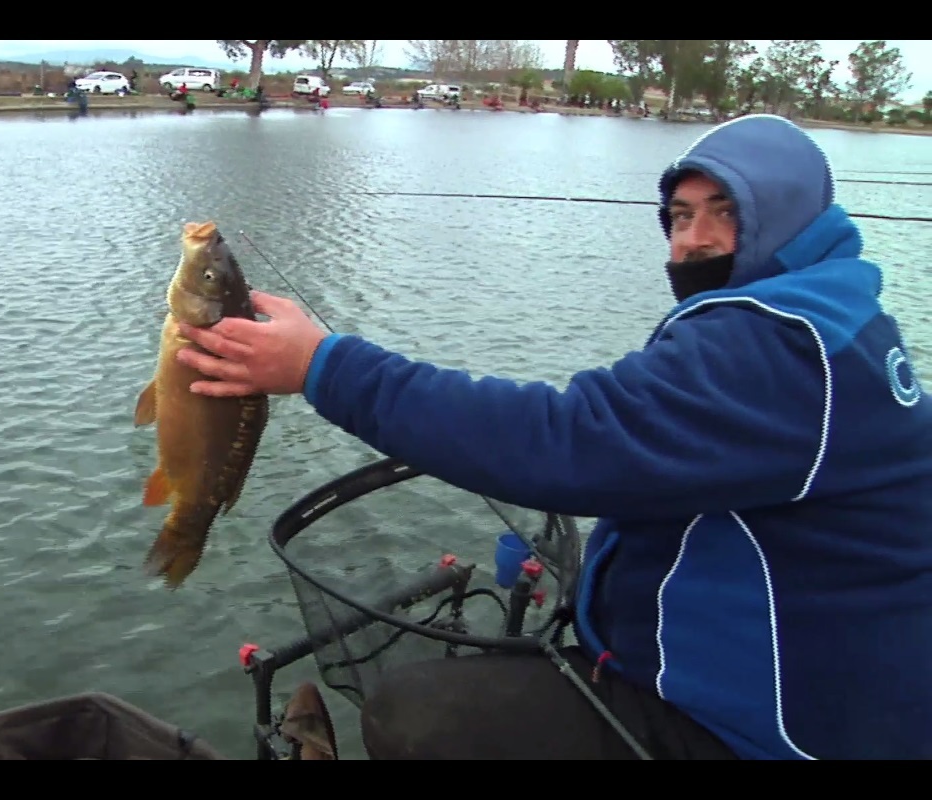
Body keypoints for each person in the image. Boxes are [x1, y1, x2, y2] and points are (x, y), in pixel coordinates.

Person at [172, 114, 932, 760]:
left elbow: (567, 439)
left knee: (416, 716)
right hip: (817, 688)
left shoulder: (779, 346)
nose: (695, 238)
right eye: (679, 215)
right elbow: (656, 464)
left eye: (725, 210)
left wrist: (323, 366)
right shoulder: (839, 319)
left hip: (769, 732)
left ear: (788, 214)